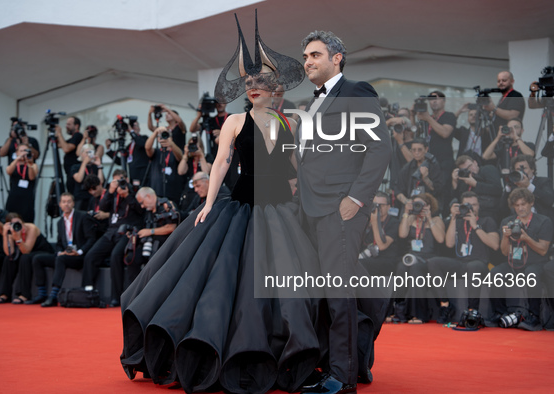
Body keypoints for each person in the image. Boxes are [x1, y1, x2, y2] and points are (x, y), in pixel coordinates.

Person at [120, 13, 320, 394]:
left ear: (274, 86)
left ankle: (295, 352)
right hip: (241, 207)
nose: (254, 87)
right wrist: (210, 204)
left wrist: (301, 196)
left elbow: (295, 168)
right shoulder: (233, 121)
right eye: (249, 82)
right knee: (231, 283)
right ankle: (231, 351)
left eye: (261, 81)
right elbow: (221, 164)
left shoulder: (289, 122)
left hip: (283, 210)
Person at [297, 30, 392, 391]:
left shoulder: (357, 91)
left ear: (336, 58)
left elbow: (380, 149)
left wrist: (356, 198)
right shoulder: (312, 102)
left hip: (340, 209)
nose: (308, 61)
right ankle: (340, 365)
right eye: (305, 56)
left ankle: (342, 379)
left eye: (315, 55)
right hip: (310, 210)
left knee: (338, 295)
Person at [427, 192, 499, 324]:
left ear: (479, 206)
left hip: (480, 264)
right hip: (460, 263)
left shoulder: (487, 220)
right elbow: (449, 243)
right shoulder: (458, 222)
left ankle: (472, 311)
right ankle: (445, 305)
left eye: (474, 205)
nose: (471, 208)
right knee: (433, 262)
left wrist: (475, 226)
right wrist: (454, 217)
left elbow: (494, 245)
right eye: (467, 205)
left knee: (474, 266)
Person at [487, 188, 553, 331]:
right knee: (495, 273)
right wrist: (505, 237)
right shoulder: (507, 221)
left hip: (536, 263)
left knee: (531, 274)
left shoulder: (543, 221)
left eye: (523, 204)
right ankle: (499, 312)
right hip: (513, 262)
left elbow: (543, 250)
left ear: (531, 203)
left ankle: (534, 316)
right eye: (516, 205)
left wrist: (526, 238)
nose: (520, 208)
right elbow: (504, 252)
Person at [82, 169, 144, 307]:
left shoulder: (134, 190)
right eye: (116, 181)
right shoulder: (112, 193)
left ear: (126, 179)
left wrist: (127, 195)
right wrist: (110, 191)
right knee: (91, 255)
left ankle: (116, 297)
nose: (119, 184)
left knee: (116, 255)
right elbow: (103, 207)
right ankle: (87, 292)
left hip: (127, 231)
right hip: (111, 232)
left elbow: (140, 210)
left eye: (121, 180)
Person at [31, 193, 97, 307]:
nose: (66, 204)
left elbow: (91, 239)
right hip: (66, 254)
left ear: (73, 203)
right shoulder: (60, 222)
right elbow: (59, 243)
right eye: (64, 202)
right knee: (38, 259)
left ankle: (53, 295)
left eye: (69, 201)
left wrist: (80, 251)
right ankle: (41, 293)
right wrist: (60, 252)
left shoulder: (82, 216)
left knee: (60, 260)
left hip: (79, 256)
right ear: (60, 204)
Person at [395, 193, 445, 324]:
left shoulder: (436, 220)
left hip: (428, 260)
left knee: (416, 270)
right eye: (415, 204)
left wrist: (429, 218)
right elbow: (402, 234)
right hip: (411, 257)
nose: (418, 207)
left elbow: (440, 239)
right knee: (401, 267)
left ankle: (419, 314)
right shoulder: (411, 218)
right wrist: (406, 212)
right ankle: (398, 310)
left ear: (428, 206)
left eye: (420, 204)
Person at [0, 213, 54, 304]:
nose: (16, 226)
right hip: (25, 253)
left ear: (23, 222)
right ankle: (4, 294)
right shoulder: (11, 233)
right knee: (8, 260)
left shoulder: (31, 228)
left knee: (25, 258)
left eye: (18, 223)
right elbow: (9, 253)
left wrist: (18, 238)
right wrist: (5, 235)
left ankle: (24, 294)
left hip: (42, 252)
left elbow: (26, 250)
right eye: (12, 224)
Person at [450, 154, 502, 218]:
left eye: (470, 166)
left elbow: (497, 189)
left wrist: (476, 184)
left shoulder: (487, 169)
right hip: (468, 213)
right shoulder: (463, 181)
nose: (469, 170)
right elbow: (459, 200)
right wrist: (455, 183)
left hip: (490, 212)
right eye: (465, 170)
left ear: (475, 163)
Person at [144, 126, 184, 205]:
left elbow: (180, 157)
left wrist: (171, 143)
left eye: (166, 135)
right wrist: (155, 132)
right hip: (157, 191)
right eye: (161, 136)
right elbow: (147, 147)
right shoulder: (156, 152)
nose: (164, 138)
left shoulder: (175, 150)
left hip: (173, 192)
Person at [106, 120, 149, 188]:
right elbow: (120, 161)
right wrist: (109, 149)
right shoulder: (129, 146)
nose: (133, 128)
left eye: (135, 125)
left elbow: (141, 143)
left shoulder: (144, 138)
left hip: (143, 177)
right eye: (132, 126)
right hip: (132, 177)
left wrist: (131, 131)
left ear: (139, 128)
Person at [4, 143, 38, 223]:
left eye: (25, 151)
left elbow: (32, 177)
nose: (23, 153)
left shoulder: (33, 165)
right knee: (11, 218)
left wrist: (29, 163)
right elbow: (8, 171)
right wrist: (17, 159)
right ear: (16, 153)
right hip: (14, 196)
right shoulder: (14, 164)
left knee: (27, 219)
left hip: (27, 197)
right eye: (21, 151)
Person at [70, 144, 105, 210]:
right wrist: (84, 162)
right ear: (81, 154)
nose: (88, 155)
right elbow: (79, 179)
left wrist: (99, 165)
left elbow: (100, 182)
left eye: (91, 152)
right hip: (81, 198)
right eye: (87, 152)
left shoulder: (94, 167)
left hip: (93, 197)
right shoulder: (75, 167)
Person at [55, 116, 83, 195]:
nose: (66, 127)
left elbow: (66, 148)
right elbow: (59, 145)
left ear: (76, 126)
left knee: (73, 196)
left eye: (69, 124)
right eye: (66, 124)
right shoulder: (72, 138)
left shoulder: (78, 136)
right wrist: (56, 135)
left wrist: (60, 134)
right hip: (69, 173)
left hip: (75, 174)